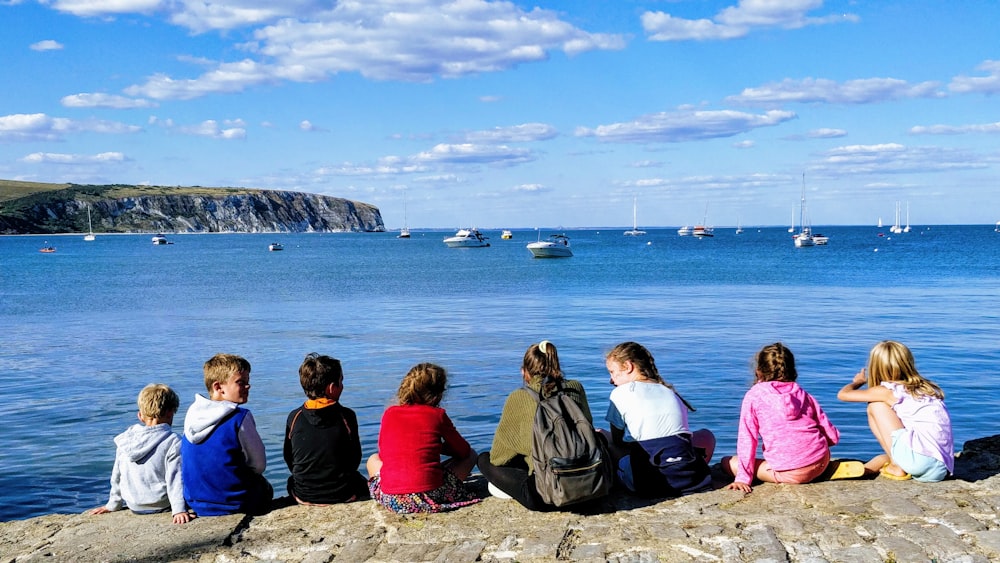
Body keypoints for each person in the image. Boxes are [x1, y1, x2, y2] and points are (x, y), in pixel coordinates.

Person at [478, 340, 596, 511]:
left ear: (524, 372)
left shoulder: (519, 397)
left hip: (546, 497)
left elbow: (499, 457)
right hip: (591, 487)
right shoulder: (576, 388)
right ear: (556, 364)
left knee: (484, 459)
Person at [723, 343, 844, 493]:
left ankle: (799, 472)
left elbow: (747, 439)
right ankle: (817, 469)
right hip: (822, 460)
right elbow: (832, 436)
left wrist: (742, 478)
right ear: (792, 370)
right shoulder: (802, 393)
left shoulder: (754, 396)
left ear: (758, 372)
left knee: (727, 462)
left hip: (792, 473)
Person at [599, 342, 716, 498]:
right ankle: (682, 472)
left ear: (627, 366)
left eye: (612, 372)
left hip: (649, 485)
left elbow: (618, 440)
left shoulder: (620, 393)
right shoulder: (669, 391)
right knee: (705, 435)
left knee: (601, 436)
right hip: (692, 480)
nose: (611, 380)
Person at [366, 363, 481, 513]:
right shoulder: (437, 415)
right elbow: (464, 451)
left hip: (392, 498)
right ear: (438, 394)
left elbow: (384, 454)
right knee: (472, 455)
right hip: (431, 495)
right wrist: (438, 446)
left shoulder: (389, 413)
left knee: (373, 459)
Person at [837, 340, 953, 482]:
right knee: (883, 456)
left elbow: (843, 395)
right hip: (941, 468)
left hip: (918, 461)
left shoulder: (888, 391)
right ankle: (876, 464)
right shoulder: (927, 389)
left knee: (875, 406)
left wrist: (858, 382)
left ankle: (896, 465)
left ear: (876, 366)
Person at [181, 353, 273, 516]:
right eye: (241, 382)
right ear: (218, 387)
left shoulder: (192, 416)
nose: (248, 387)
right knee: (265, 487)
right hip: (235, 503)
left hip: (196, 502)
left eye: (247, 382)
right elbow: (259, 465)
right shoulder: (240, 417)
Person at [90, 383, 191, 524]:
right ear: (170, 412)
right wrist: (179, 510)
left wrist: (113, 505)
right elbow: (175, 478)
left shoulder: (126, 440)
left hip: (133, 505)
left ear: (140, 415)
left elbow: (117, 477)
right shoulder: (173, 441)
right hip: (161, 504)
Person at [284, 353, 369, 505]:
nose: (343, 386)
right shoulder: (347, 416)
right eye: (341, 382)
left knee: (291, 481)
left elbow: (289, 457)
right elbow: (355, 458)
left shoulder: (294, 416)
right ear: (331, 388)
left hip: (304, 494)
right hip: (342, 494)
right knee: (361, 481)